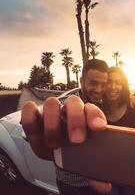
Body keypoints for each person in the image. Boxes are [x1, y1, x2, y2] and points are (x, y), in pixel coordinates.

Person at [21, 59, 112, 195]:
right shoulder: (65, 105)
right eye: (93, 83)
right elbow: (51, 112)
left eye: (103, 84)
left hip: (101, 182)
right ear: (81, 81)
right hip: (71, 185)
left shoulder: (106, 104)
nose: (99, 90)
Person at [102, 66, 135, 195]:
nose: (113, 87)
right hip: (106, 176)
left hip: (131, 176)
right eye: (109, 82)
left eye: (118, 83)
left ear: (124, 85)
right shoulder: (98, 110)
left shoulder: (134, 110)